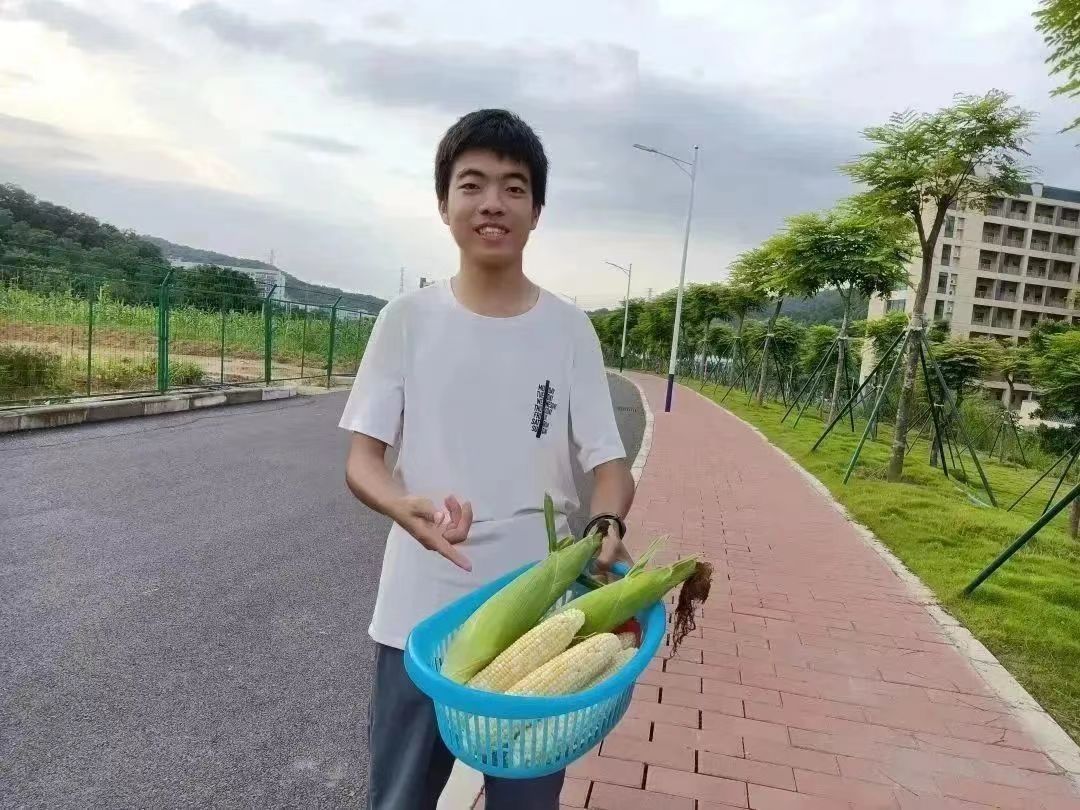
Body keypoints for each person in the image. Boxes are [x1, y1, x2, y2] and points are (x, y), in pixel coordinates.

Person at [339, 108, 635, 809]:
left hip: (539, 621)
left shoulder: (569, 329)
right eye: (472, 184)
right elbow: (363, 459)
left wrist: (606, 524)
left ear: (536, 211)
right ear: (445, 204)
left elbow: (609, 467)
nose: (492, 203)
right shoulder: (405, 320)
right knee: (399, 799)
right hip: (419, 614)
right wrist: (398, 503)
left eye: (514, 187)